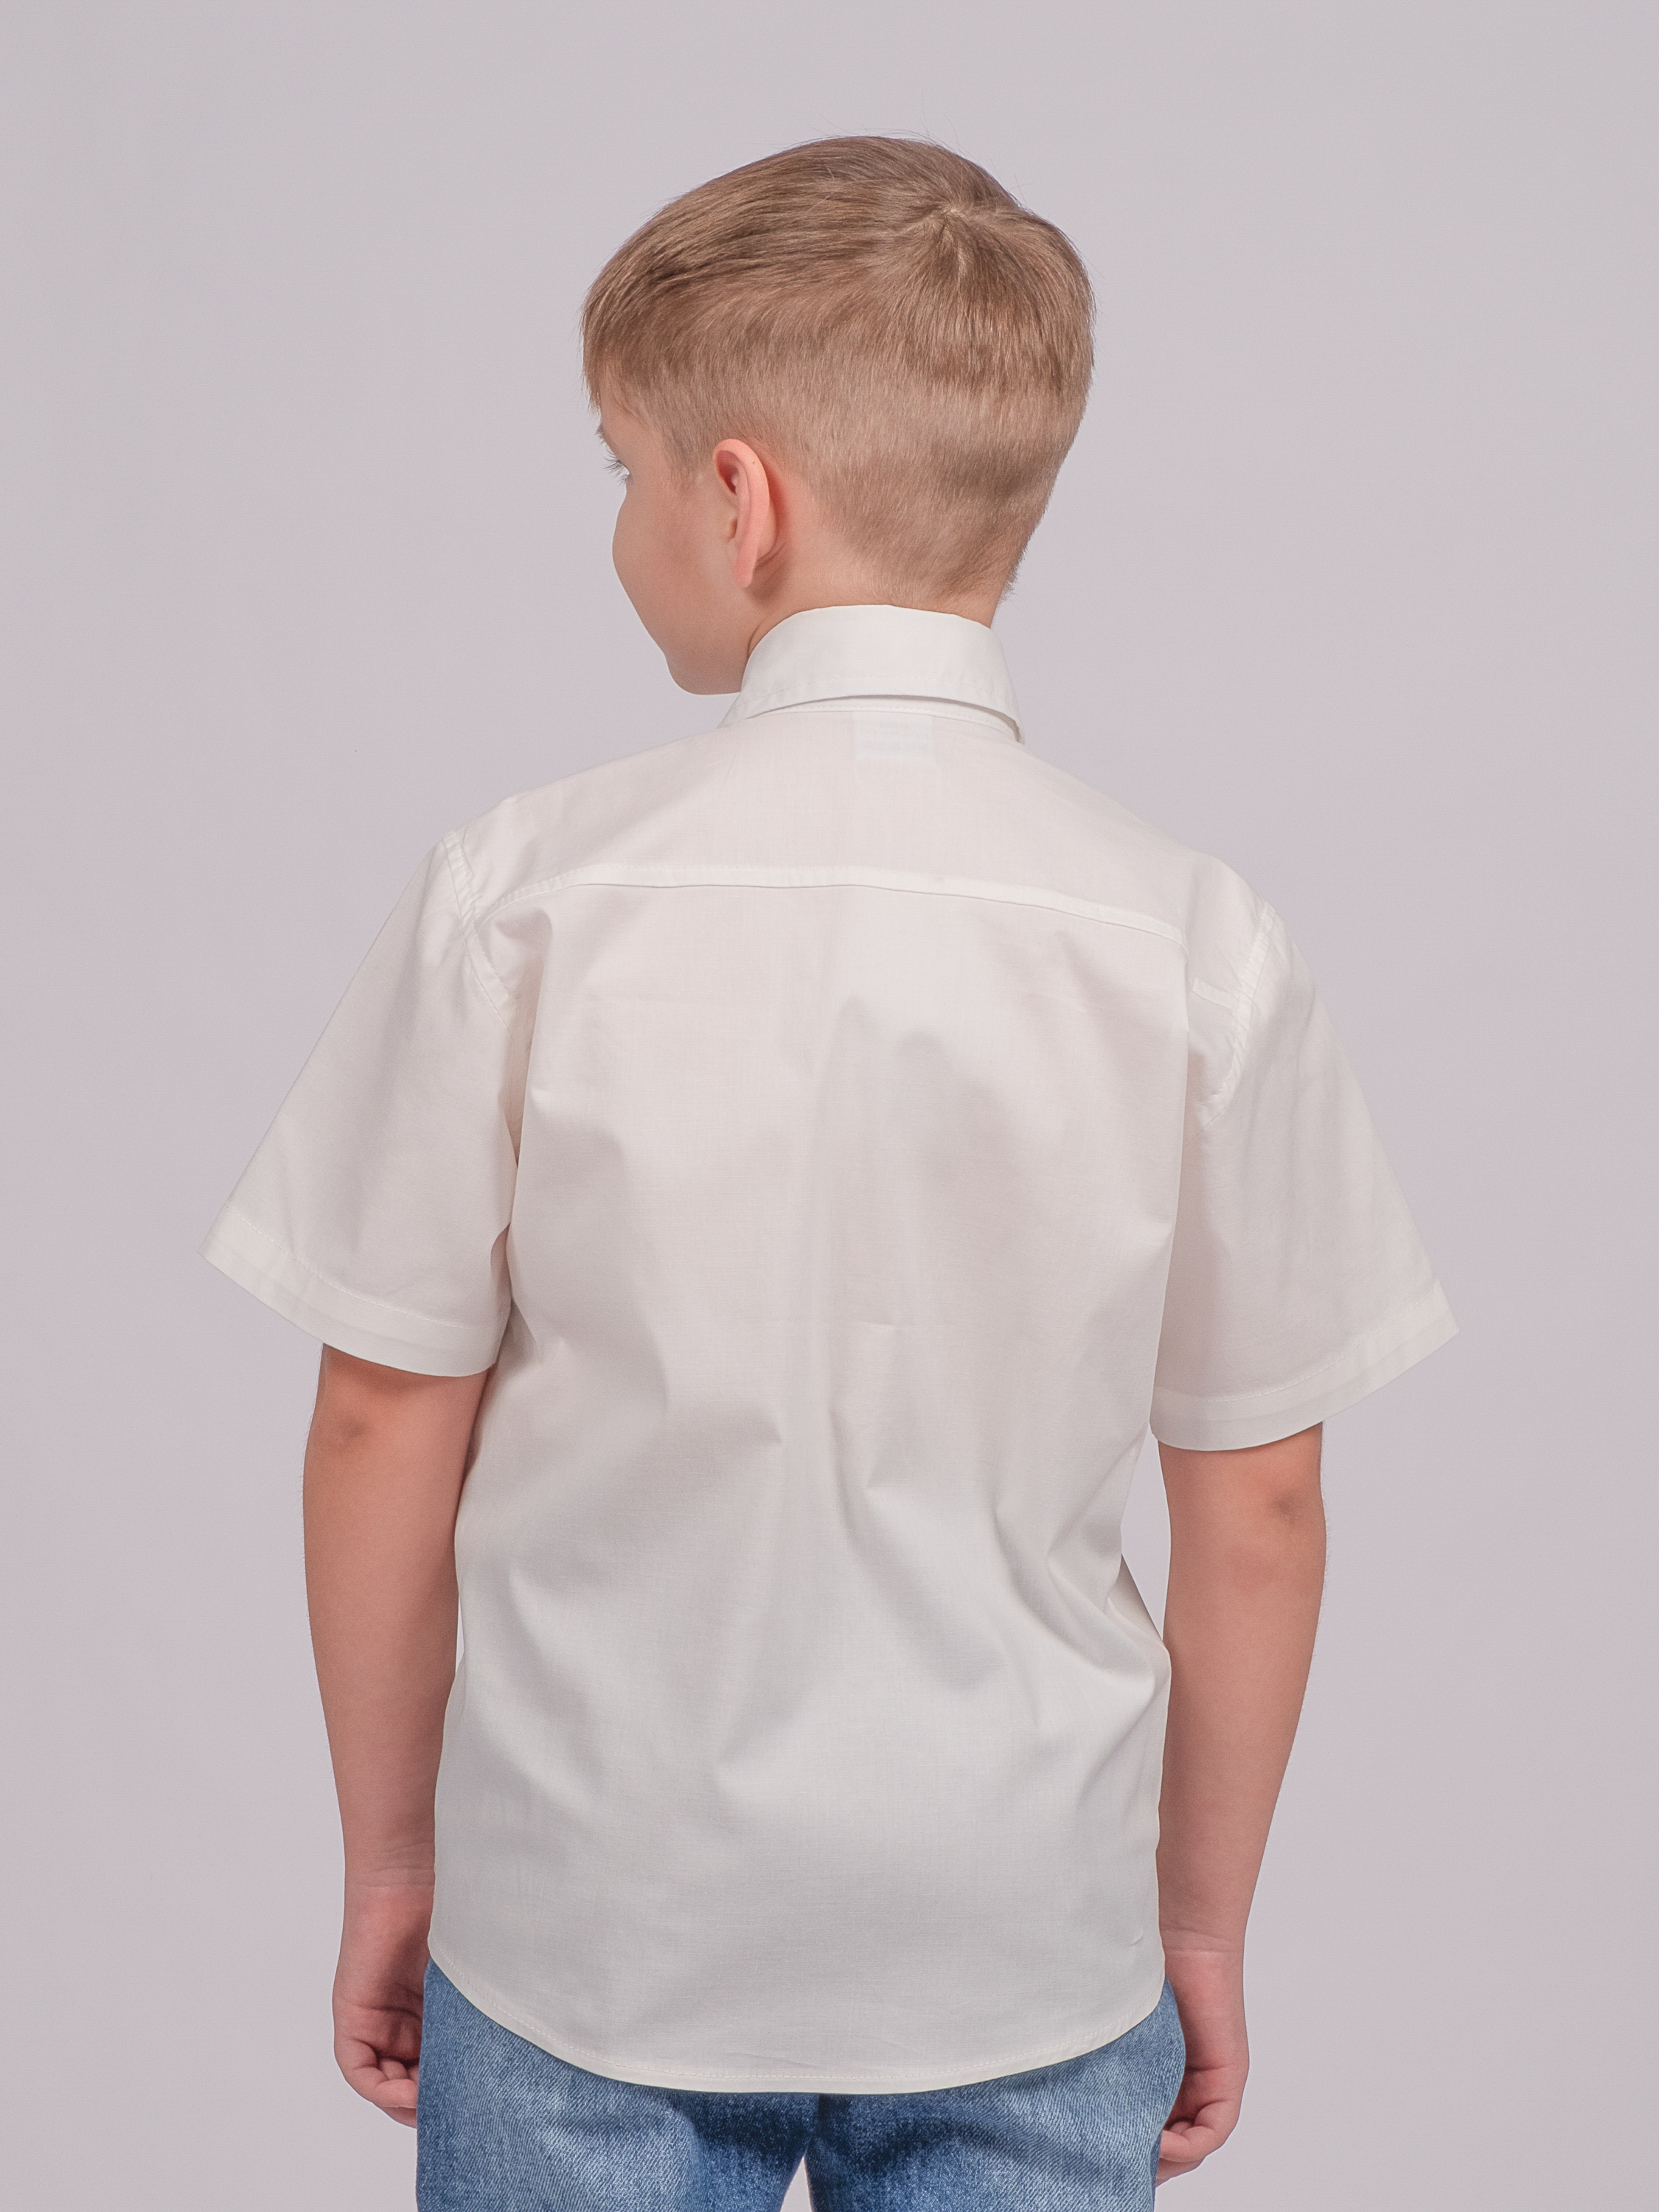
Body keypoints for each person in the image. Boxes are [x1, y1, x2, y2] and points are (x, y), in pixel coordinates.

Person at [204, 137, 1455, 2210]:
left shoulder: (525, 895)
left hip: (585, 1923)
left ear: (740, 501)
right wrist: (1196, 1925)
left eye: (617, 467)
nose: (617, 517)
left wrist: (400, 1863)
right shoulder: (1189, 936)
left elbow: (376, 1413)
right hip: (1027, 1939)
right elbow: (1258, 1498)